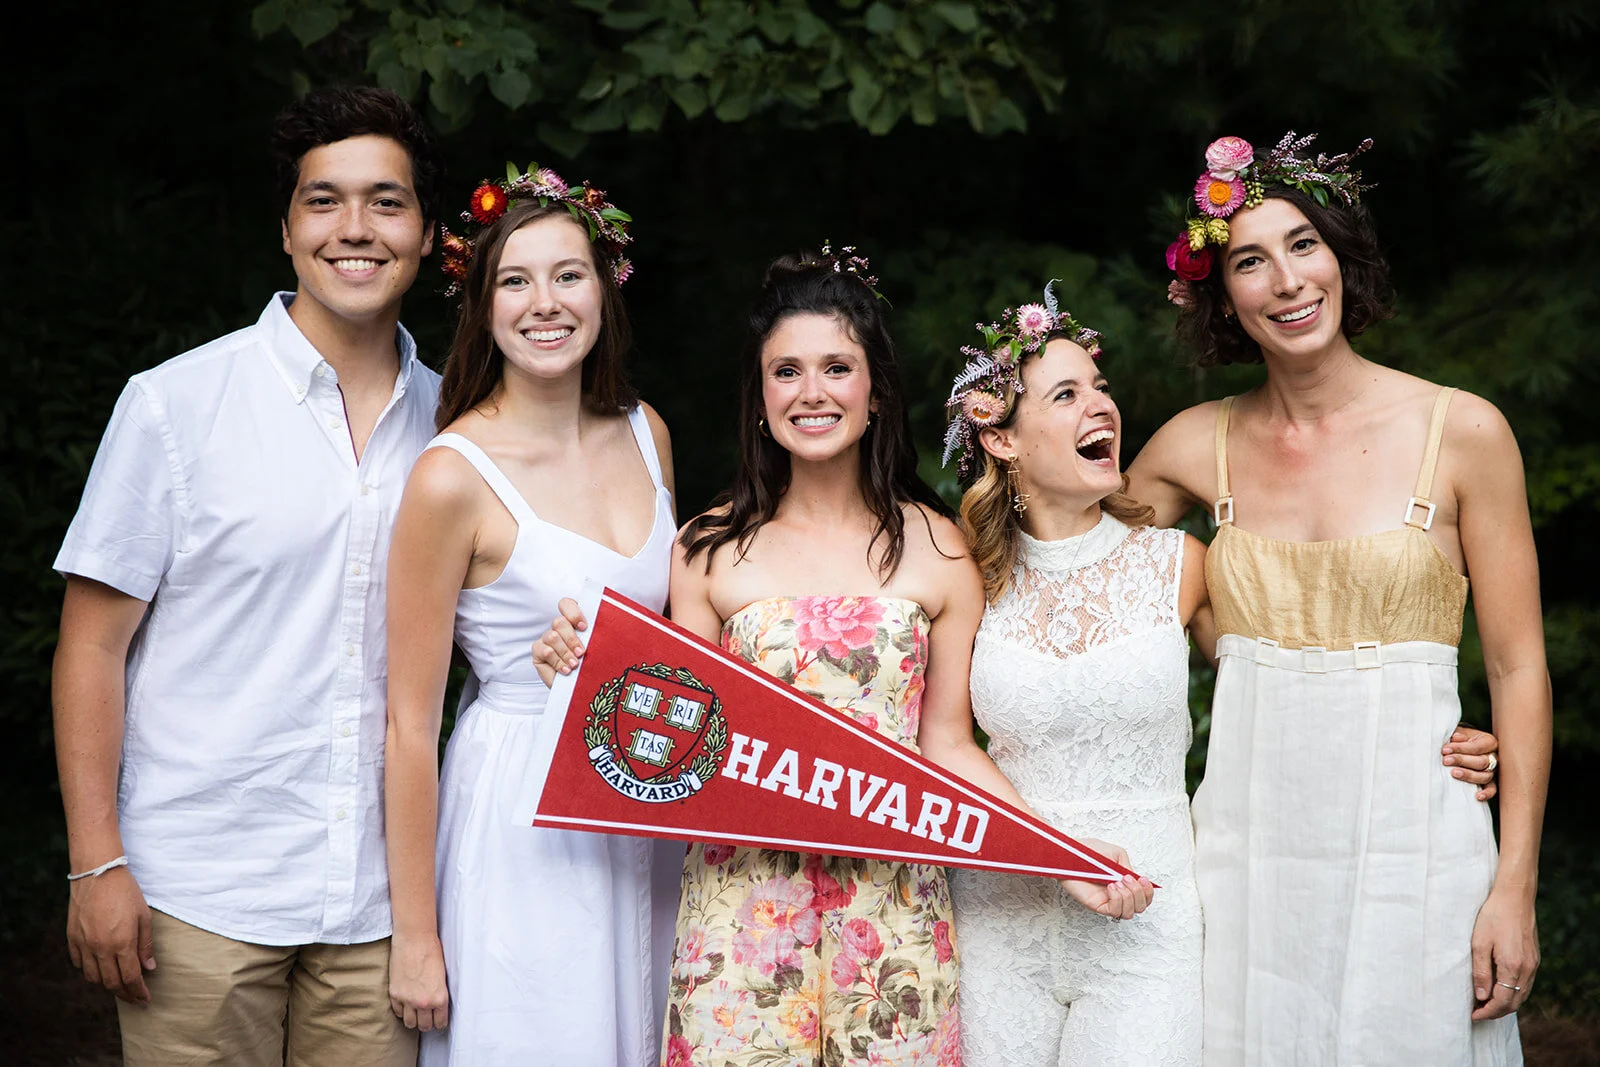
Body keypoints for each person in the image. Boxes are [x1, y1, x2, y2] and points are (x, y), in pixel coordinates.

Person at [1129, 132, 1549, 1064]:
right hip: (1248, 843)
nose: (1285, 281)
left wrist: (1513, 885)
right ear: (1221, 297)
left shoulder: (1464, 430)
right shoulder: (1194, 446)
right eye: (1249, 260)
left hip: (1417, 839)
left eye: (1303, 245)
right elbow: (1078, 572)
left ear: (1341, 256)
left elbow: (1519, 667)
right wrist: (1218, 634)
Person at [51, 86, 441, 1066]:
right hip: (200, 894)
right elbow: (90, 644)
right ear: (285, 228)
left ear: (429, 234)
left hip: (381, 904)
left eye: (386, 201)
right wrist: (96, 863)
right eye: (324, 200)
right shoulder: (175, 405)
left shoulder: (462, 426)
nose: (355, 228)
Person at [382, 166, 677, 1066]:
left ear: (604, 290)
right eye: (516, 280)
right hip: (522, 816)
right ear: (483, 301)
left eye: (568, 275)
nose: (544, 303)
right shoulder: (450, 474)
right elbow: (406, 721)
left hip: (647, 788)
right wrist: (416, 935)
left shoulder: (646, 430)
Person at [940, 291, 1209, 1063]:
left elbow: (1279, 684)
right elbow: (940, 739)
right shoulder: (964, 579)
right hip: (999, 918)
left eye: (1100, 386)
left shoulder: (1179, 565)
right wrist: (1056, 853)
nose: (1103, 405)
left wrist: (1427, 717)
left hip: (1146, 919)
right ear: (1002, 440)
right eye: (1067, 394)